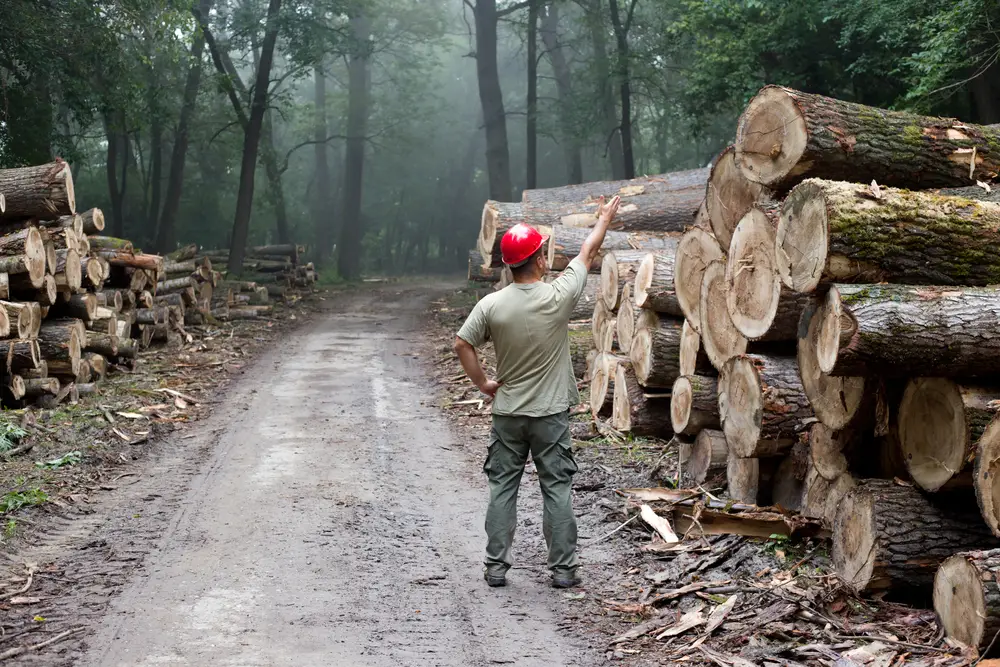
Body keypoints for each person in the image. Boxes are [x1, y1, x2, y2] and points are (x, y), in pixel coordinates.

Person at [454, 195, 622, 589]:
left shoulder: (491, 305)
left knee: (502, 488)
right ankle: (563, 571)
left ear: (509, 265)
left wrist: (483, 384)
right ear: (540, 261)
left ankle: (496, 568)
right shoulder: (559, 296)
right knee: (557, 489)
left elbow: (462, 344)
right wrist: (604, 218)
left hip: (508, 413)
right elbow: (588, 249)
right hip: (550, 415)